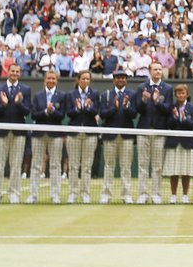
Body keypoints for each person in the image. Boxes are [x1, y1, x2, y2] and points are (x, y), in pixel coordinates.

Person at [0, 63, 31, 204]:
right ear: (8, 72)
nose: (14, 73)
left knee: (16, 164)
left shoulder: (25, 89)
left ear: (20, 73)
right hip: (0, 132)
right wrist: (3, 105)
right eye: (12, 71)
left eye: (17, 71)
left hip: (18, 133)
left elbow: (27, 111)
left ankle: (14, 194)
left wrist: (19, 103)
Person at [135, 61, 173, 204]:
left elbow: (168, 109)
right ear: (150, 71)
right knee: (143, 165)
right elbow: (138, 110)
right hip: (144, 130)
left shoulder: (167, 88)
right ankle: (142, 194)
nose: (158, 71)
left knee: (157, 166)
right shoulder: (141, 87)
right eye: (155, 69)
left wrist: (157, 102)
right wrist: (144, 100)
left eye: (159, 69)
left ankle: (156, 194)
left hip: (159, 131)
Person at [99, 69, 136, 204]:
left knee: (126, 167)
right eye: (118, 78)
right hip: (110, 135)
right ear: (114, 80)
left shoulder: (132, 94)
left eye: (123, 78)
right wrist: (113, 108)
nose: (121, 80)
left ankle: (126, 195)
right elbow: (102, 114)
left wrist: (126, 107)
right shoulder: (106, 95)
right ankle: (106, 195)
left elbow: (134, 114)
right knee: (109, 166)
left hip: (126, 135)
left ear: (126, 80)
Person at [29, 70, 66, 204]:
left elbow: (62, 115)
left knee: (55, 165)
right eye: (49, 78)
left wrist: (53, 111)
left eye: (53, 78)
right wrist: (45, 111)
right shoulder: (38, 96)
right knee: (36, 165)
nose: (51, 81)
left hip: (55, 134)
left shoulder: (62, 95)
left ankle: (55, 195)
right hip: (39, 134)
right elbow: (33, 115)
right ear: (45, 79)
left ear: (56, 80)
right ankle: (33, 195)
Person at [66, 70, 100, 204]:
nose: (85, 81)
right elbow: (68, 113)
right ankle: (73, 193)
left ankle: (85, 193)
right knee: (73, 166)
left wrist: (87, 108)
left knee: (87, 166)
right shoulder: (71, 94)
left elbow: (96, 111)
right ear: (78, 79)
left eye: (88, 79)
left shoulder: (94, 94)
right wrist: (77, 109)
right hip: (74, 133)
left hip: (90, 134)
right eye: (83, 79)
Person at [165, 83, 193, 203]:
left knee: (186, 171)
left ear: (187, 94)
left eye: (183, 93)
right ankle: (173, 195)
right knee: (173, 171)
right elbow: (169, 124)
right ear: (175, 95)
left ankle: (185, 195)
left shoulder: (192, 108)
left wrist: (184, 118)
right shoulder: (171, 107)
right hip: (173, 142)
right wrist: (175, 117)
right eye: (178, 93)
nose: (180, 95)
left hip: (187, 143)